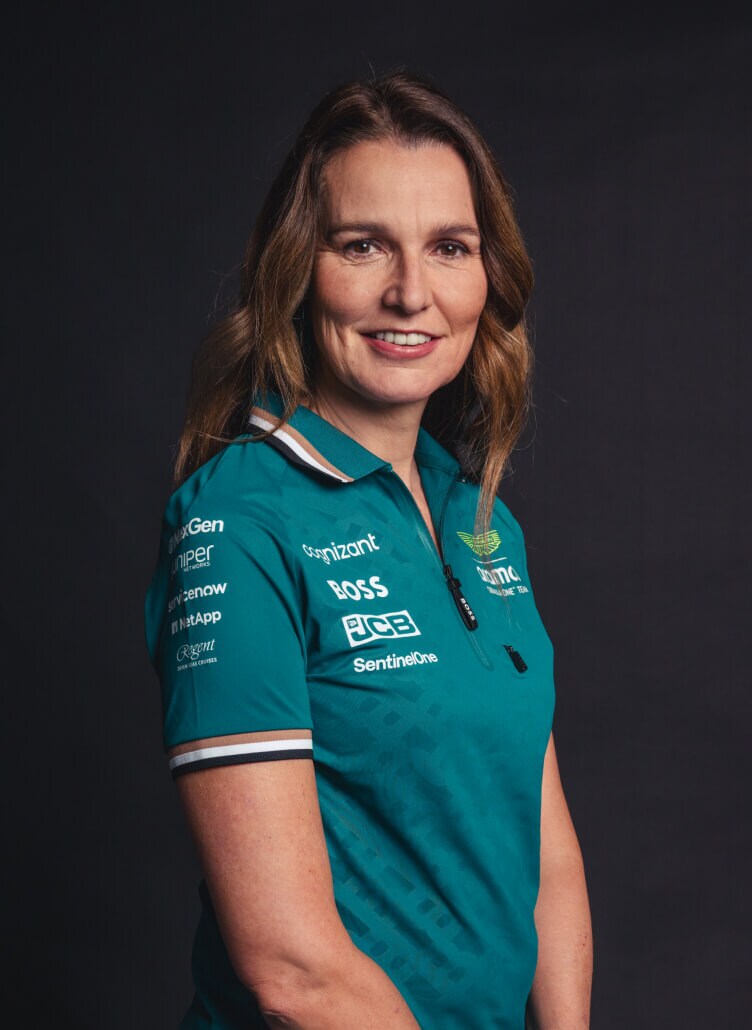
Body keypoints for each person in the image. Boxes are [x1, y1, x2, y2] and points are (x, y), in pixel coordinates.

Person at [145, 70, 592, 1029]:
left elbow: (546, 856)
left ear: (488, 277)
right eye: (363, 245)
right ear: (297, 271)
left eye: (449, 247)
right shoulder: (239, 526)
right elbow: (291, 970)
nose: (411, 293)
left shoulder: (479, 517)